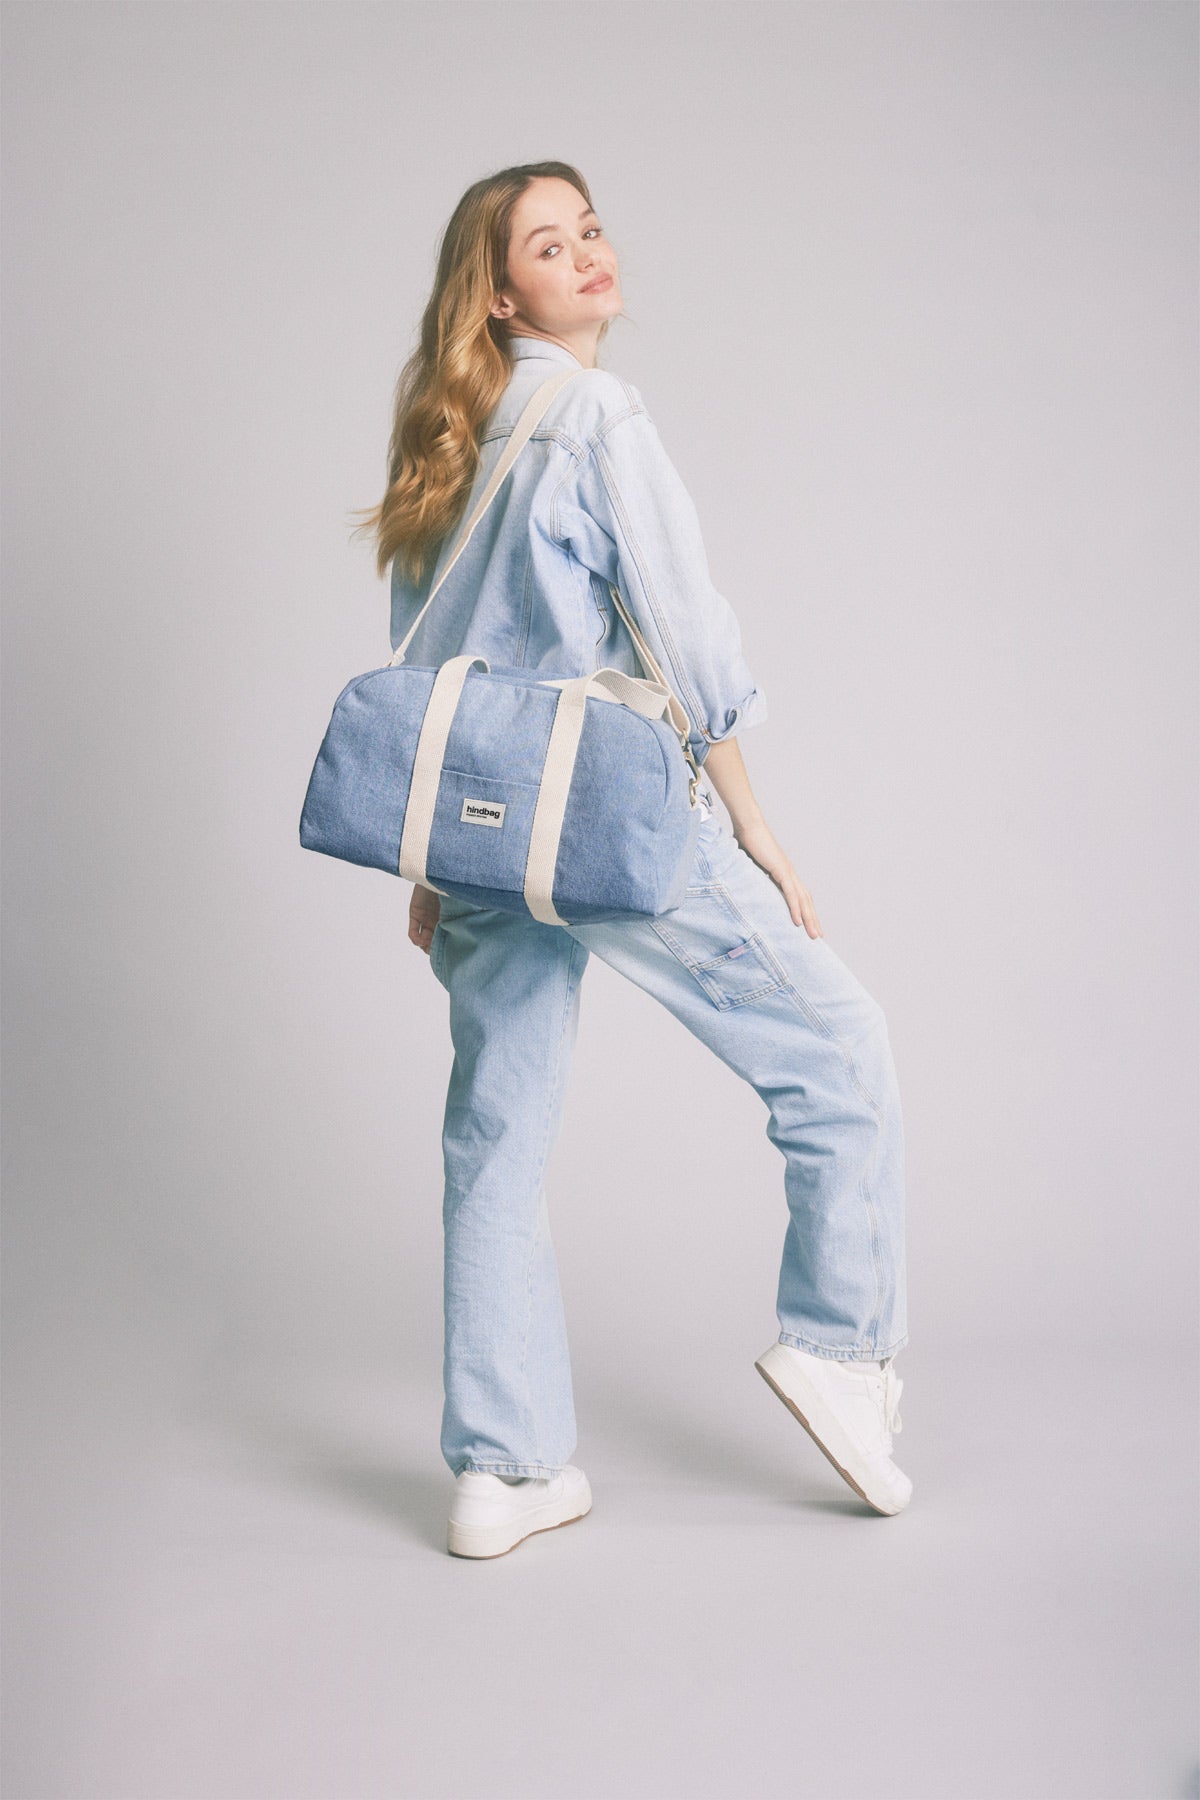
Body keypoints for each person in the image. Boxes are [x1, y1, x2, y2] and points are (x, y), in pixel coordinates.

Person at [357, 161, 911, 1559]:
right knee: (839, 1049)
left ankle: (503, 1472)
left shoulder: (449, 439)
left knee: (494, 1139)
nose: (589, 253)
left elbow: (429, 667)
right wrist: (752, 820)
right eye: (550, 245)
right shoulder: (598, 416)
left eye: (591, 227)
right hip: (606, 817)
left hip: (484, 836)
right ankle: (840, 1348)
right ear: (501, 294)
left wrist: (436, 859)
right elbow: (682, 635)